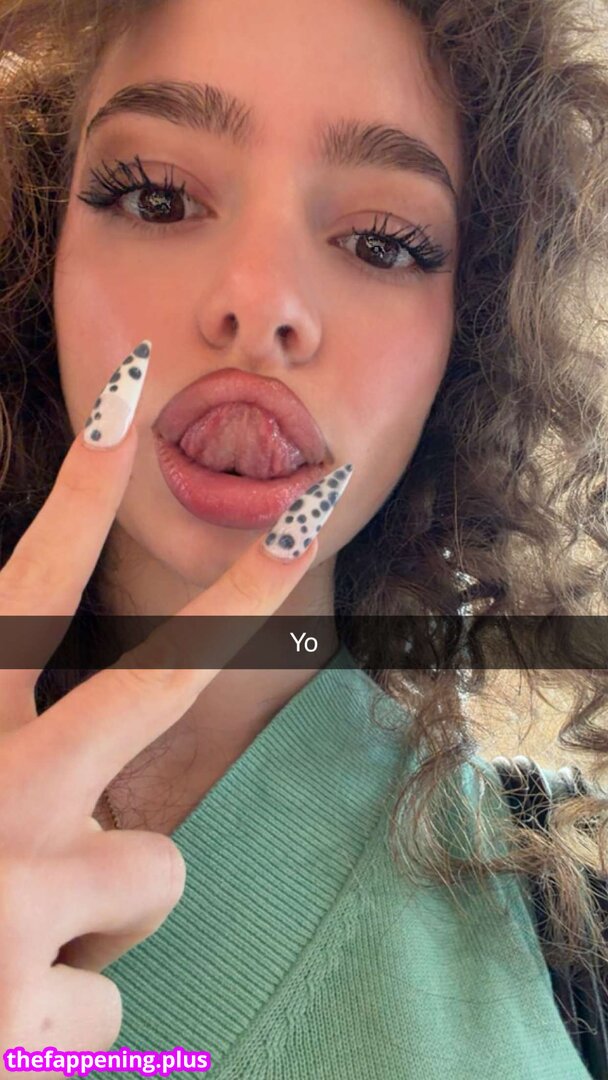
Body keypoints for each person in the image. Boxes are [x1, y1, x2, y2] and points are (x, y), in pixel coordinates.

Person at [0, 0, 607, 1076]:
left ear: (469, 336)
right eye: (156, 194)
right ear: (42, 239)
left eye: (381, 243)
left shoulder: (571, 928)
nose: (259, 302)